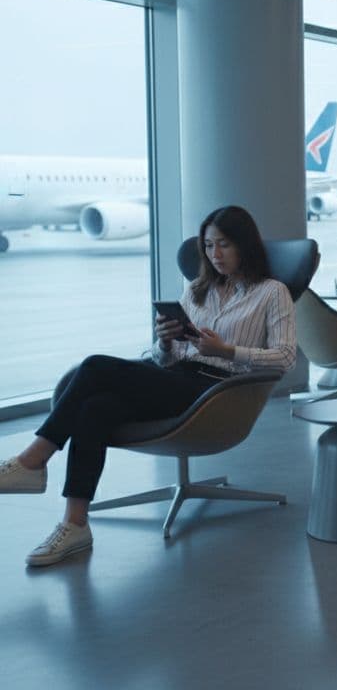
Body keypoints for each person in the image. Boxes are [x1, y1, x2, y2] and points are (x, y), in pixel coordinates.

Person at [0, 205, 297, 567]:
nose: (214, 254)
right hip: (177, 377)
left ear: (244, 245)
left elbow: (285, 357)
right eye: (208, 246)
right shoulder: (198, 290)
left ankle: (32, 461)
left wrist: (226, 351)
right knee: (95, 409)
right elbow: (165, 361)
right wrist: (166, 342)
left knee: (95, 366)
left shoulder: (272, 292)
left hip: (216, 391)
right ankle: (75, 524)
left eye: (224, 245)